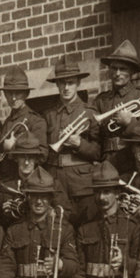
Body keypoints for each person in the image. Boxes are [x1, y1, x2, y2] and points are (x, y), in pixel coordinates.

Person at [44, 57, 100, 229]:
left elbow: (99, 152)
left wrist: (79, 144)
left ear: (78, 83)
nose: (66, 88)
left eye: (70, 82)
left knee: (87, 228)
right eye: (62, 83)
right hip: (56, 179)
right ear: (57, 85)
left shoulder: (89, 113)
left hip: (81, 182)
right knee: (59, 227)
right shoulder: (49, 115)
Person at [93, 41, 140, 171]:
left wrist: (130, 122)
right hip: (107, 160)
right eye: (114, 68)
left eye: (123, 69)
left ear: (132, 72)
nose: (117, 73)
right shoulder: (101, 100)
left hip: (133, 159)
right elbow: (95, 136)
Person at [0, 131, 71, 229]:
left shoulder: (53, 184)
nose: (27, 162)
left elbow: (66, 214)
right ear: (16, 158)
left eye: (31, 157)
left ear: (37, 159)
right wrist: (4, 214)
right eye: (22, 157)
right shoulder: (6, 188)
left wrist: (49, 212)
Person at [0, 65, 47, 179]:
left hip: (26, 179)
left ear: (26, 94)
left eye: (17, 93)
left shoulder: (36, 121)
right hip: (7, 179)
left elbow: (43, 155)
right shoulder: (8, 121)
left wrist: (12, 148)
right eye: (9, 93)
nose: (13, 98)